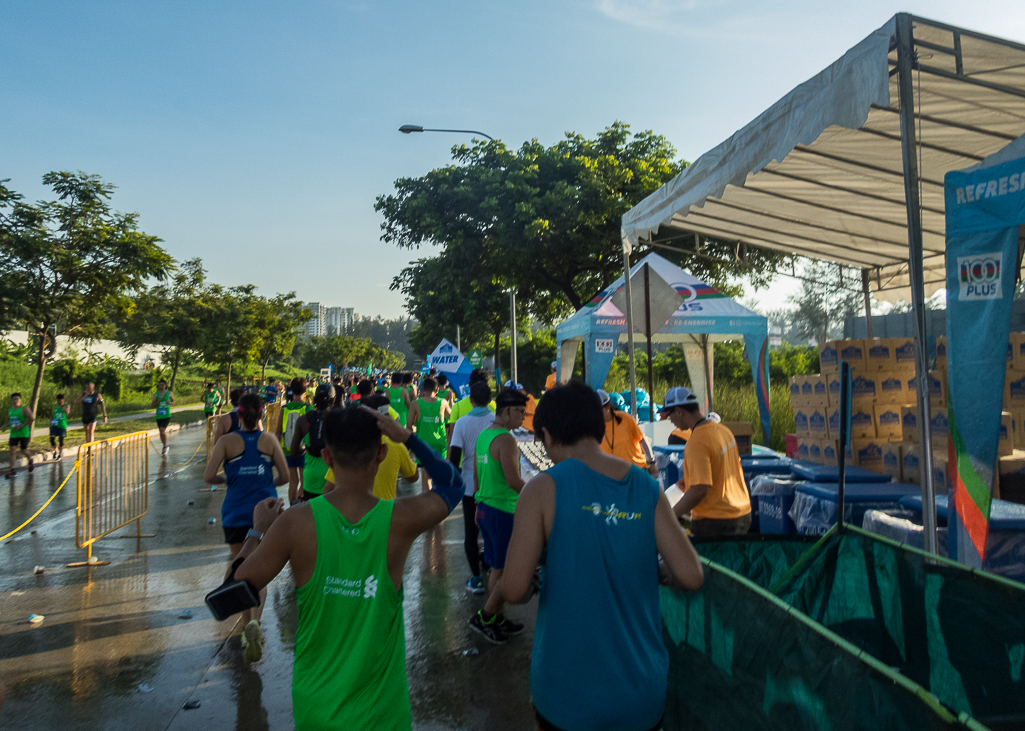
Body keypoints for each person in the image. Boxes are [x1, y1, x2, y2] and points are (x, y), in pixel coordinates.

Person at [229, 405, 464, 729]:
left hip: (317, 709)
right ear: (381, 453)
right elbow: (453, 484)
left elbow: (232, 592)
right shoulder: (399, 519)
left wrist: (257, 530)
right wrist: (407, 437)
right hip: (382, 714)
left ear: (326, 457)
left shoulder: (294, 524)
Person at [490, 382, 704, 730]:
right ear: (600, 424)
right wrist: (660, 572)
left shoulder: (542, 489)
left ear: (547, 435)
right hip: (640, 689)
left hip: (565, 692)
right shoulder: (646, 487)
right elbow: (692, 576)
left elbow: (513, 590)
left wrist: (535, 579)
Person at [204, 393, 289, 661]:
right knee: (259, 569)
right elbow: (285, 477)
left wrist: (233, 479)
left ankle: (245, 623)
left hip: (235, 513)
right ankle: (256, 622)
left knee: (240, 564)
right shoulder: (269, 440)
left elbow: (208, 476)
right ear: (262, 414)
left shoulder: (226, 441)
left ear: (237, 415)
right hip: (265, 512)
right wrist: (262, 484)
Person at [468, 388, 528, 642]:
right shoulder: (506, 440)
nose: (523, 418)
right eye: (521, 413)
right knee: (505, 570)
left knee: (497, 568)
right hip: (503, 512)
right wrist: (537, 494)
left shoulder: (484, 435)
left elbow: (476, 475)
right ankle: (486, 617)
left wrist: (477, 506)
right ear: (507, 411)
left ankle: (496, 617)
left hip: (484, 508)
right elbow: (513, 481)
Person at [662, 387, 752, 535]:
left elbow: (699, 490)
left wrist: (670, 516)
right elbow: (723, 466)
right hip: (742, 513)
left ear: (679, 411)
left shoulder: (696, 442)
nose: (670, 420)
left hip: (716, 521)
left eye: (669, 414)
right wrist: (689, 480)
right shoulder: (723, 431)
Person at [324, 394, 419, 500]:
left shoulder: (350, 443)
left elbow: (328, 488)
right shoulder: (397, 445)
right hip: (386, 512)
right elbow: (413, 477)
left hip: (353, 514)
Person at [448, 381, 495, 594]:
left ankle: (476, 579)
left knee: (471, 532)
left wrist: (453, 479)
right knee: (492, 531)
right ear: (490, 400)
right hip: (493, 486)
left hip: (469, 488)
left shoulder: (462, 423)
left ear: (471, 400)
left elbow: (455, 456)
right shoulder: (496, 421)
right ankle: (494, 571)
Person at [596, 389, 658, 478]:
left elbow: (642, 440)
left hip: (636, 471)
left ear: (608, 406)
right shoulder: (594, 427)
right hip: (613, 476)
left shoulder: (625, 418)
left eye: (598, 409)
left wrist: (652, 462)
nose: (595, 413)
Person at [405, 377, 450, 493]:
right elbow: (452, 418)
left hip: (423, 445)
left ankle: (428, 507)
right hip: (440, 444)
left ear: (423, 389)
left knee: (426, 478)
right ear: (436, 391)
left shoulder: (415, 404)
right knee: (440, 478)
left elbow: (409, 425)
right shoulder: (443, 402)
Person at [289, 384, 334, 501]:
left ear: (314, 399)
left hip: (310, 479)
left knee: (312, 516)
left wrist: (305, 449)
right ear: (333, 399)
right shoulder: (338, 419)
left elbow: (293, 452)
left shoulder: (302, 420)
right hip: (331, 478)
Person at [277, 378, 309, 504]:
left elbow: (278, 431)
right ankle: (301, 506)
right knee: (303, 481)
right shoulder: (308, 408)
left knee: (293, 481)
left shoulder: (284, 409)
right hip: (303, 449)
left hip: (287, 449)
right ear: (305, 390)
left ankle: (292, 506)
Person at [447, 368, 495, 439]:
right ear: (487, 386)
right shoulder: (495, 406)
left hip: (464, 450)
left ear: (469, 385)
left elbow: (451, 437)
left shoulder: (458, 406)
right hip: (489, 450)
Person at [6, 393, 35, 479]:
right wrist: (5, 425)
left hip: (23, 433)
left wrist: (21, 425)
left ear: (20, 400)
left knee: (23, 450)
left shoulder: (24, 408)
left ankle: (30, 460)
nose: (16, 401)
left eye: (17, 399)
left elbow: (32, 418)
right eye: (14, 399)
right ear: (12, 400)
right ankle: (12, 471)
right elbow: (9, 418)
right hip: (14, 434)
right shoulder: (10, 409)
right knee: (12, 450)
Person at [151, 379, 175, 457]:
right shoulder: (155, 394)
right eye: (159, 384)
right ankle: (164, 445)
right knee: (161, 432)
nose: (161, 386)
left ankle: (165, 447)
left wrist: (170, 403)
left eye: (162, 384)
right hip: (159, 415)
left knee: (162, 430)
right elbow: (152, 406)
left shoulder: (169, 393)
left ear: (165, 385)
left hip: (167, 415)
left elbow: (173, 402)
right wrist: (158, 401)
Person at [49, 394, 71, 461]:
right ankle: (55, 450)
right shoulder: (55, 406)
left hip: (62, 425)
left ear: (63, 400)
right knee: (52, 439)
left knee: (61, 440)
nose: (59, 402)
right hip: (54, 425)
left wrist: (63, 407)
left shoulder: (66, 405)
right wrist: (50, 424)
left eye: (60, 401)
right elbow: (52, 415)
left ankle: (60, 454)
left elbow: (67, 412)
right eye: (58, 401)